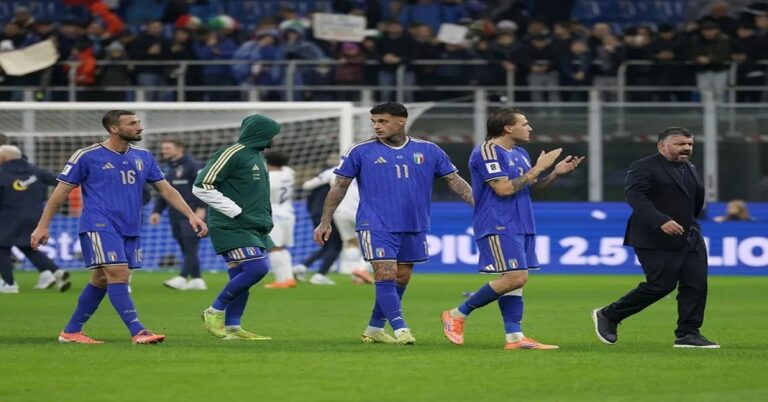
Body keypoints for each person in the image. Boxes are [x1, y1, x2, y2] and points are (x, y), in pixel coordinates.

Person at [30, 110, 208, 344]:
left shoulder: (144, 156)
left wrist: (190, 215)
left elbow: (166, 189)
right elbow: (61, 192)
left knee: (101, 279)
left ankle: (71, 331)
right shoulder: (87, 155)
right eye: (132, 123)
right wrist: (42, 226)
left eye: (138, 122)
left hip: (131, 226)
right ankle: (138, 331)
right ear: (114, 128)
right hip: (99, 224)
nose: (139, 127)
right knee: (119, 273)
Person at [314, 102, 474, 345]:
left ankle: (375, 328)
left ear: (401, 121)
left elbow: (454, 180)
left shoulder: (429, 150)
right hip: (375, 222)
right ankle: (401, 328)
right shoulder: (360, 151)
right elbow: (339, 186)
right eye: (374, 122)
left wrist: (479, 206)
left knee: (402, 276)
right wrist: (325, 221)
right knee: (385, 273)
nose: (377, 126)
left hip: (414, 223)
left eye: (383, 121)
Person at [440, 108, 583, 350]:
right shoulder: (487, 151)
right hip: (497, 222)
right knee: (516, 277)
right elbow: (504, 189)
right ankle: (456, 314)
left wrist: (555, 174)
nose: (530, 128)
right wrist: (539, 167)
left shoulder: (520, 153)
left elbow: (528, 188)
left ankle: (515, 337)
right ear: (508, 127)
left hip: (523, 222)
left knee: (516, 280)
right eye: (525, 123)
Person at [592, 127, 719, 349]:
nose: (687, 148)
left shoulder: (690, 167)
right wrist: (660, 220)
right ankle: (609, 314)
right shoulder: (643, 166)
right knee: (661, 285)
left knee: (696, 284)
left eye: (689, 144)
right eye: (680, 144)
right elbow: (635, 197)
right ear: (662, 146)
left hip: (690, 235)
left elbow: (695, 200)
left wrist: (692, 225)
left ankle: (688, 333)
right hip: (653, 237)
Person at [195, 114, 280, 341]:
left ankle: (233, 327)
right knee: (256, 269)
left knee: (242, 277)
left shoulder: (257, 157)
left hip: (254, 226)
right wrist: (237, 212)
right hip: (231, 225)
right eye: (273, 134)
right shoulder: (231, 153)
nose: (275, 139)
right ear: (261, 133)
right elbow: (201, 186)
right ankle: (213, 311)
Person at [0, 145, 71, 293]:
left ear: (3, 158)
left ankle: (9, 284)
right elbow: (59, 181)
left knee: (2, 248)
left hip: (7, 217)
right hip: (35, 216)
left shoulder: (2, 173)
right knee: (27, 246)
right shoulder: (35, 171)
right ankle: (55, 271)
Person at [149, 139, 208, 291]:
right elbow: (164, 193)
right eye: (163, 149)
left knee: (190, 246)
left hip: (193, 213)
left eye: (168, 148)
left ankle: (182, 277)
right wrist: (157, 211)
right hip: (174, 213)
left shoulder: (195, 165)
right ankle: (197, 279)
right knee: (184, 246)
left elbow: (205, 188)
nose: (164, 151)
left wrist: (202, 207)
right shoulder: (166, 169)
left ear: (180, 148)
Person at [291, 158, 344, 284]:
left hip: (315, 213)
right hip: (329, 214)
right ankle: (320, 275)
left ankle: (302, 266)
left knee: (328, 244)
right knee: (336, 245)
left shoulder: (321, 182)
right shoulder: (338, 180)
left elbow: (306, 185)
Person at [262, 150, 298, 289]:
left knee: (273, 248)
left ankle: (281, 280)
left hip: (273, 213)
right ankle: (288, 278)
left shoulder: (269, 178)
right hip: (288, 213)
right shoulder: (289, 173)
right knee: (281, 247)